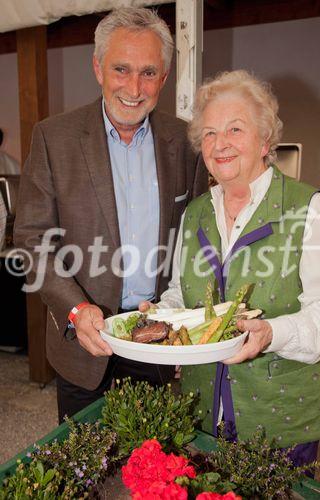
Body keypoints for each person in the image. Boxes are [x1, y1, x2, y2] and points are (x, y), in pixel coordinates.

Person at [14, 7, 207, 423]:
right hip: (83, 343)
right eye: (121, 68)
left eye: (149, 72)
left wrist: (185, 323)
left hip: (155, 339)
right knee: (85, 471)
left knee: (152, 467)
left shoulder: (185, 143)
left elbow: (196, 243)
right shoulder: (54, 137)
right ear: (98, 67)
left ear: (165, 77)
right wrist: (74, 309)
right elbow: (32, 238)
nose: (134, 88)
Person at [140, 70, 320, 467]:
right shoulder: (195, 213)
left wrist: (271, 333)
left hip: (280, 416)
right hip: (203, 408)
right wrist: (161, 316)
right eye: (210, 133)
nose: (220, 144)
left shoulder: (313, 210)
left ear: (265, 139)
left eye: (235, 129)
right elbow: (182, 293)